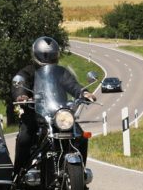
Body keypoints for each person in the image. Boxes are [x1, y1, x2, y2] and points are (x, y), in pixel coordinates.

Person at [12, 36, 94, 176]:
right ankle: (18, 172)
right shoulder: (28, 72)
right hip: (35, 114)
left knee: (81, 137)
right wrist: (21, 95)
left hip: (58, 114)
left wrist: (83, 93)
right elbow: (20, 83)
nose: (48, 58)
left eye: (50, 55)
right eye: (45, 55)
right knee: (25, 137)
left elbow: (72, 85)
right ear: (36, 54)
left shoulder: (61, 72)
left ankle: (80, 173)